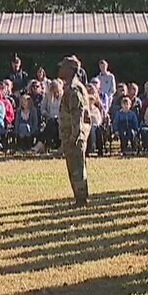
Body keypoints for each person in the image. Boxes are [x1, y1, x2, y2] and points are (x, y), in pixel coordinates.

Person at [57, 56, 92, 206]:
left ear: (70, 70)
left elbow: (77, 114)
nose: (60, 69)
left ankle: (81, 199)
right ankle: (80, 197)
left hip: (74, 136)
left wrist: (74, 136)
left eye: (63, 67)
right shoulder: (71, 87)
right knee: (75, 166)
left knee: (77, 167)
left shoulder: (73, 89)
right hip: (72, 135)